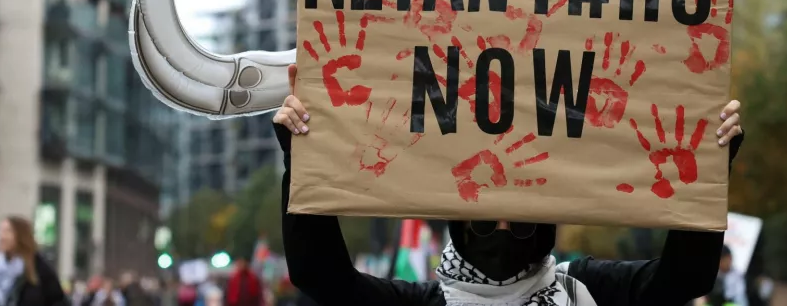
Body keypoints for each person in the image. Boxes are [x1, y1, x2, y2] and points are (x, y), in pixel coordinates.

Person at [274, 63, 745, 306]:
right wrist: (303, 161)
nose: (501, 230)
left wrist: (702, 172)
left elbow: (686, 276)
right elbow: (319, 275)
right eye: (482, 222)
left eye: (520, 224)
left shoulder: (588, 288)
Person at [0, 216, 65, 306]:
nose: (2, 236)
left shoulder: (38, 268)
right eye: (1, 231)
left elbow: (58, 300)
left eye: (8, 231)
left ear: (21, 235)